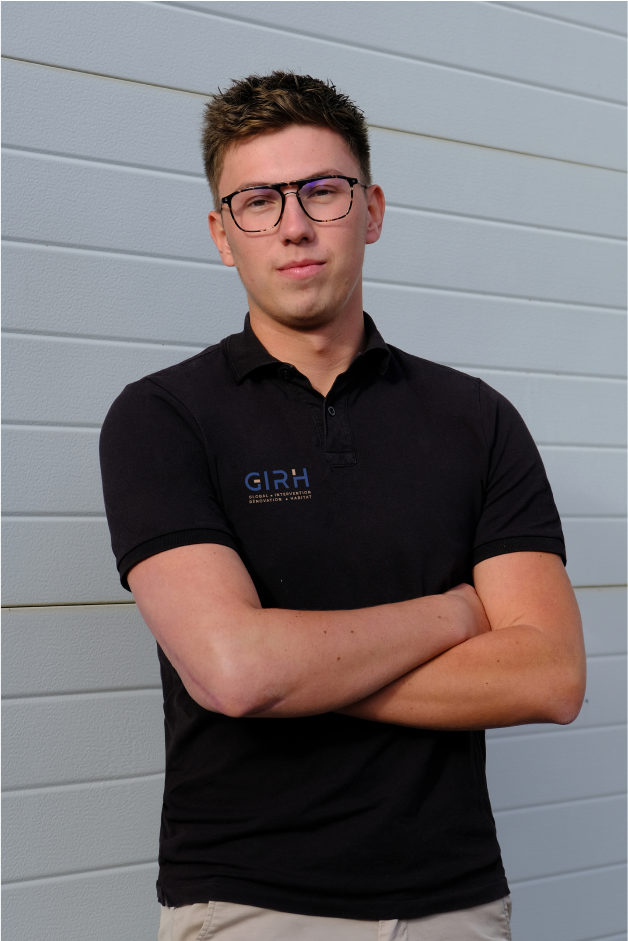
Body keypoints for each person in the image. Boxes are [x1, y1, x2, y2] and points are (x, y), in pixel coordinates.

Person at [100, 72, 586, 941]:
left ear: (372, 211)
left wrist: (295, 667)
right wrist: (454, 613)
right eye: (258, 201)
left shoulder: (476, 419)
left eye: (322, 190)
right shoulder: (163, 417)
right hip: (250, 903)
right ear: (222, 235)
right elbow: (234, 671)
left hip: (456, 904)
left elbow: (548, 675)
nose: (294, 224)